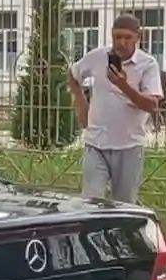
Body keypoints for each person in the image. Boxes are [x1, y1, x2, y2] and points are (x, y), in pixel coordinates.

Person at [67, 13, 161, 203]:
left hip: (128, 146)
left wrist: (123, 85)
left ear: (137, 38)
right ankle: (91, 233)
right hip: (96, 143)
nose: (122, 43)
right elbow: (73, 74)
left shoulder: (147, 64)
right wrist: (80, 103)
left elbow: (152, 104)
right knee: (91, 202)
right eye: (117, 37)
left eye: (127, 38)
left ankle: (119, 233)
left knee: (123, 204)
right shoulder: (97, 57)